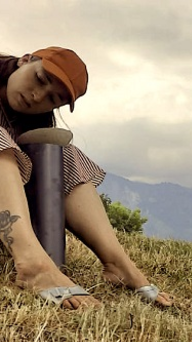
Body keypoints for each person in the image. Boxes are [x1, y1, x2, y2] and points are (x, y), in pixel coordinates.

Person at [0, 46, 172, 309]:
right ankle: (33, 266)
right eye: (41, 79)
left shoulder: (35, 123)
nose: (37, 97)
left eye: (52, 99)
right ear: (25, 60)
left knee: (61, 154)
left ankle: (119, 265)